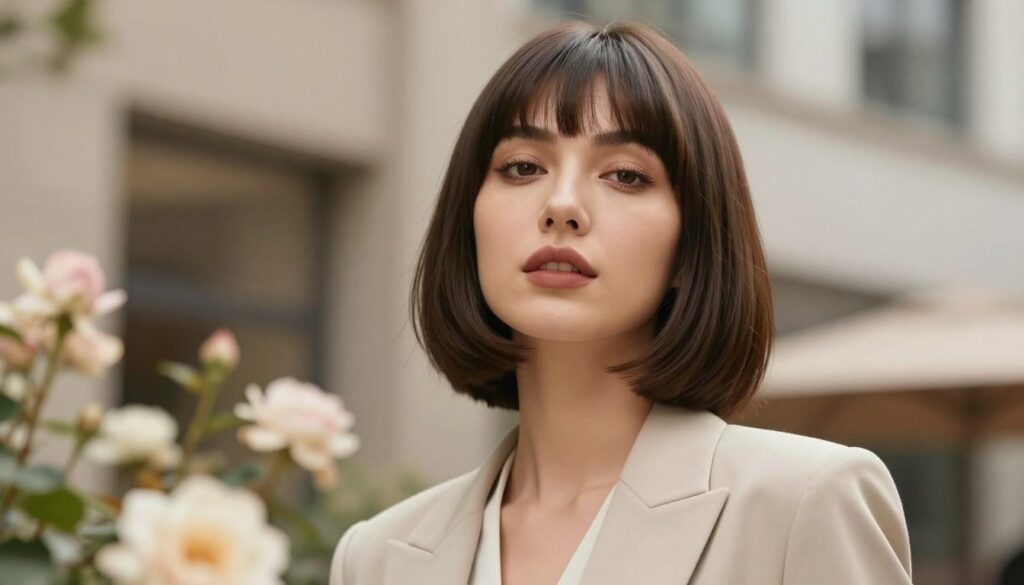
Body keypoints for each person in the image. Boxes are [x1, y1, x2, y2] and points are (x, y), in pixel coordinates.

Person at [329, 19, 913, 585]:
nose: (562, 206)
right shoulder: (377, 557)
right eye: (523, 166)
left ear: (692, 245)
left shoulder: (802, 504)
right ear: (469, 217)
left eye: (626, 176)